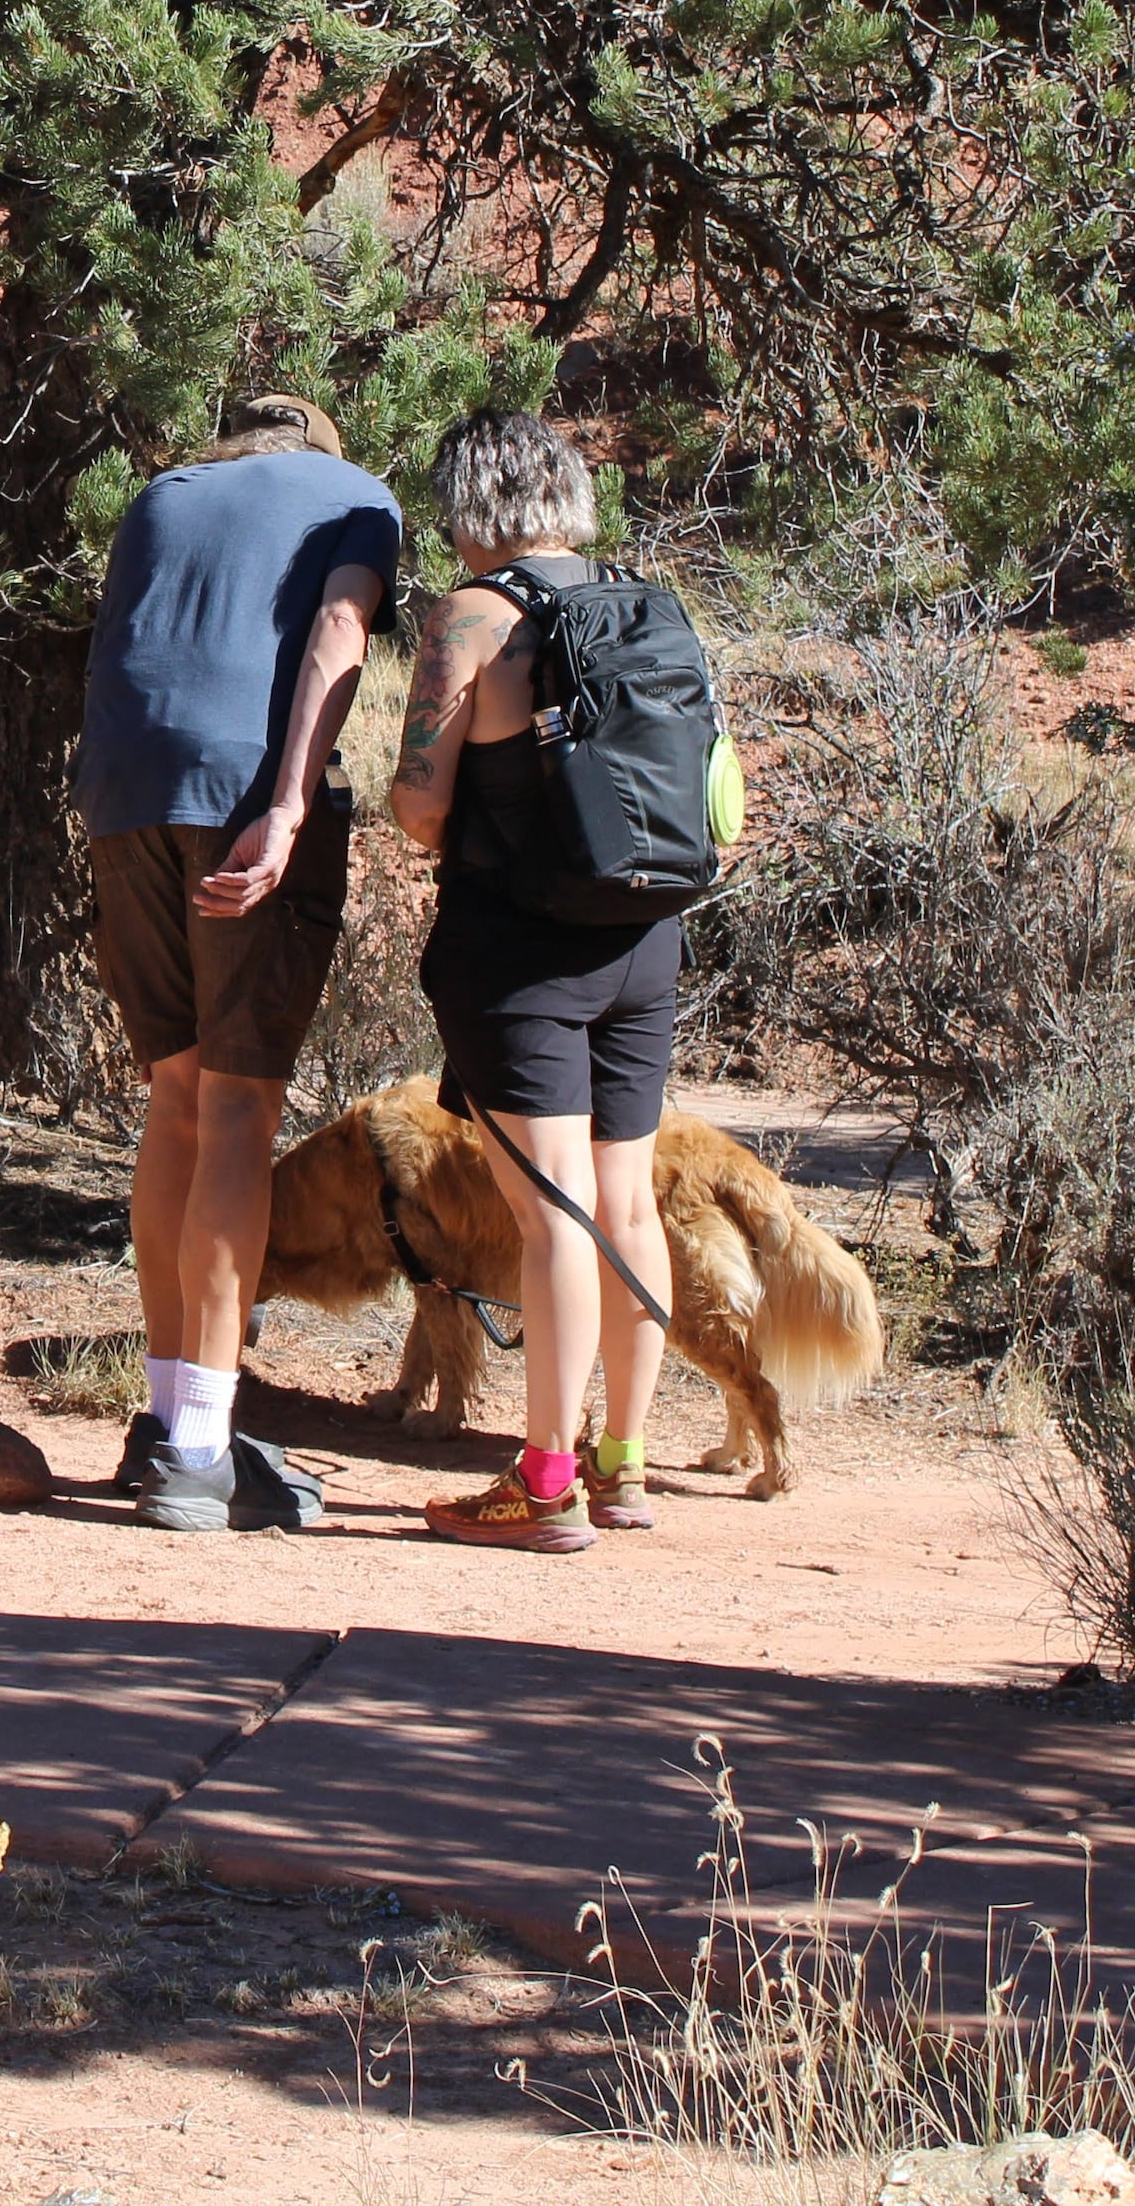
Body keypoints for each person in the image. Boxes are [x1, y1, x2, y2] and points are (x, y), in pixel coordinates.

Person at [74, 392, 402, 1532]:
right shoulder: (355, 497)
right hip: (238, 791)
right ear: (322, 446)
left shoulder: (159, 495)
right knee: (238, 1111)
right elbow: (338, 634)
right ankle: (201, 1452)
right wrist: (290, 807)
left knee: (174, 1098)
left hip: (119, 796)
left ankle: (170, 1422)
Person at [386, 409, 693, 1554]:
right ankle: (622, 1467)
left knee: (548, 1208)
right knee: (622, 1201)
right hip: (645, 937)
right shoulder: (646, 604)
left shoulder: (470, 613)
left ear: (471, 506)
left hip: (516, 950)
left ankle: (544, 1482)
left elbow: (420, 805)